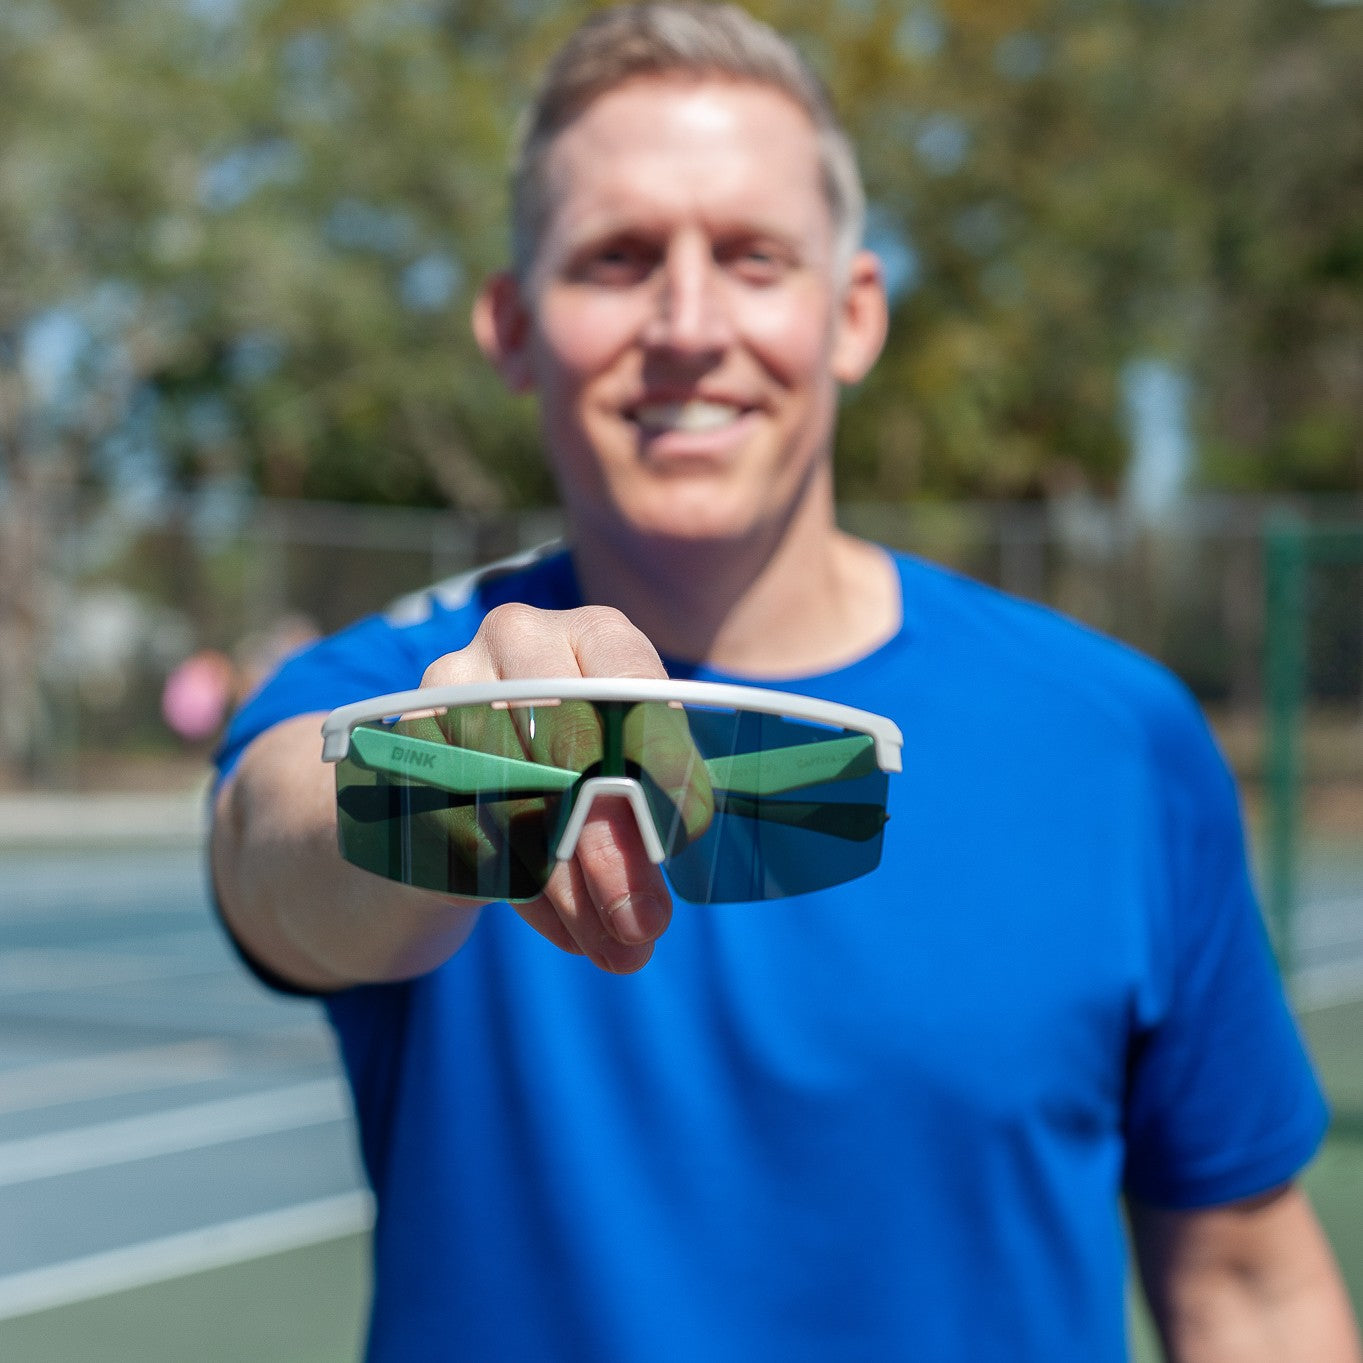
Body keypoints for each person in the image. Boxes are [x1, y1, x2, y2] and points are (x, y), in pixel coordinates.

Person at [211, 5, 1361, 1360]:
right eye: (618, 259)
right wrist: (456, 772)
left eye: (752, 257)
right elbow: (277, 860)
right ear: (515, 328)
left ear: (851, 314)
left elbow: (1249, 1284)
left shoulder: (1116, 737)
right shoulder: (405, 693)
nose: (688, 324)